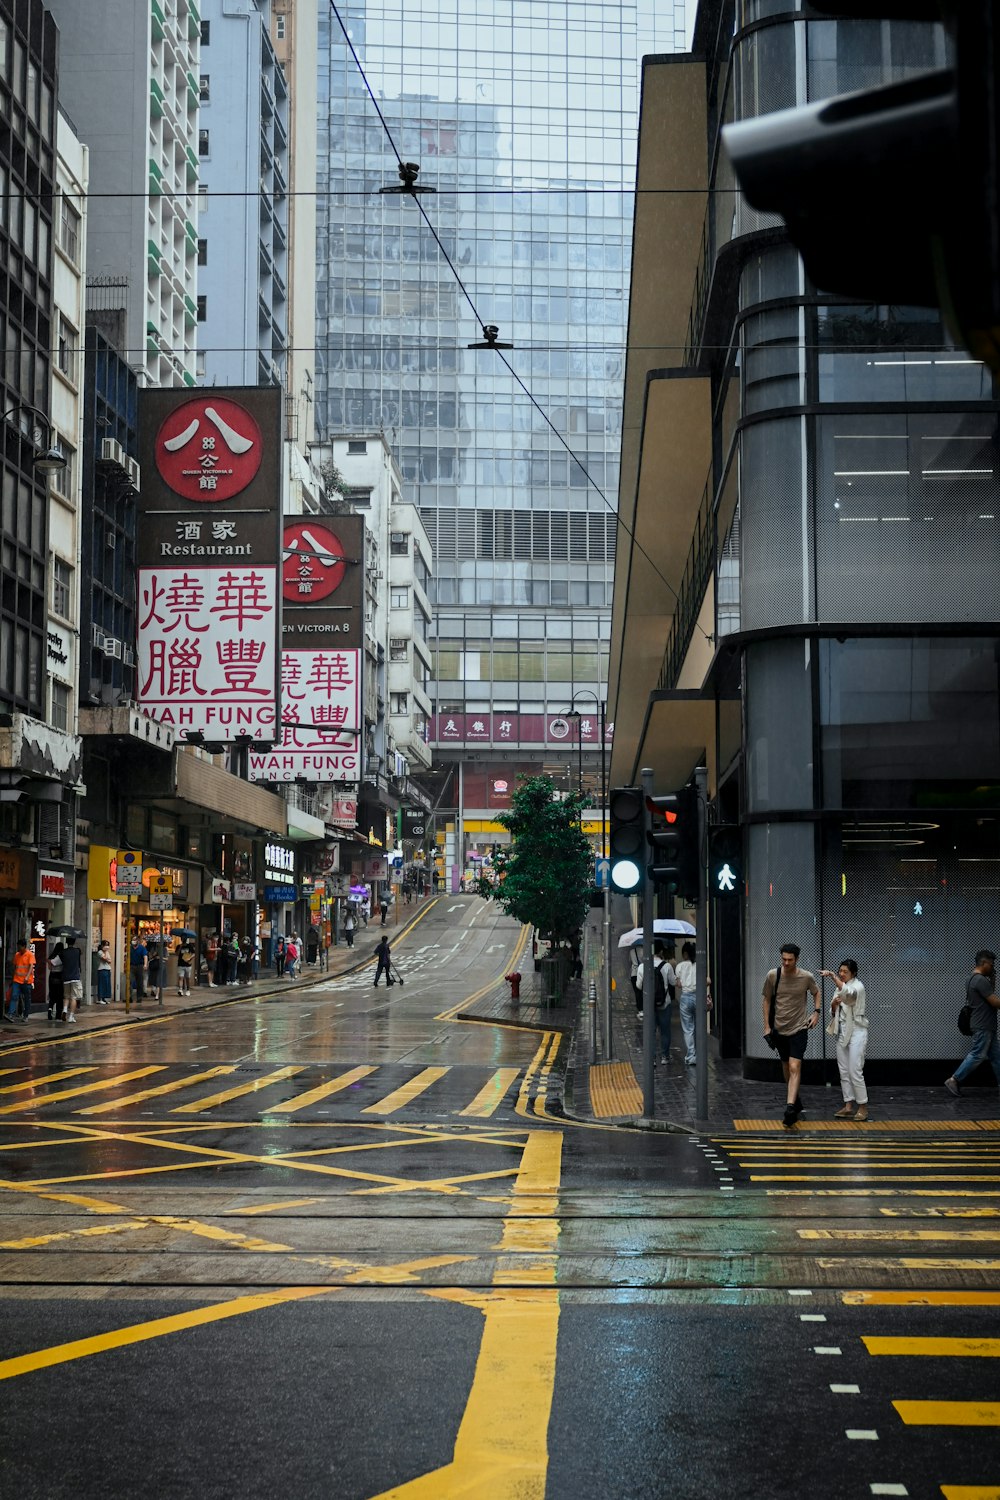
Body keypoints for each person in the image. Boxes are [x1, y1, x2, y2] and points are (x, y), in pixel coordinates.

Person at [762, 943, 821, 1128]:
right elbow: (767, 1000)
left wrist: (816, 1012)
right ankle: (795, 1100)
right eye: (784, 959)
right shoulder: (773, 975)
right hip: (779, 1029)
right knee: (786, 1067)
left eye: (790, 960)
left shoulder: (806, 977)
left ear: (797, 959)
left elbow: (816, 992)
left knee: (795, 1066)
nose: (786, 963)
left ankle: (789, 1109)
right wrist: (766, 1027)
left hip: (799, 1028)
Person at [945, 948, 1000, 1097]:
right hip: (983, 1024)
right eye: (992, 964)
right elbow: (995, 1002)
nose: (993, 967)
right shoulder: (980, 980)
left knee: (996, 1056)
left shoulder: (970, 979)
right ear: (984, 963)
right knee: (978, 1054)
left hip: (985, 1024)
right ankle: (954, 1079)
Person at [820, 959, 869, 1120]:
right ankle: (848, 1105)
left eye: (845, 972)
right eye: (840, 971)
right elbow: (833, 1012)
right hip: (842, 1030)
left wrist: (834, 977)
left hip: (857, 1030)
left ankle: (862, 1106)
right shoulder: (839, 986)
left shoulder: (858, 986)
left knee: (855, 1069)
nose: (842, 974)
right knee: (844, 1070)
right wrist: (833, 1005)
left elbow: (849, 995)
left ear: (853, 973)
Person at [636, 940, 675, 1063]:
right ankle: (665, 1056)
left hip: (649, 1004)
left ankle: (652, 1058)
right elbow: (673, 982)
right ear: (661, 951)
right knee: (665, 1031)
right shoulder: (667, 966)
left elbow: (638, 986)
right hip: (664, 1003)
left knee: (650, 1032)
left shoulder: (642, 966)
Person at [676, 941, 714, 1067]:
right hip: (698, 997)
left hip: (686, 998)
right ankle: (700, 1054)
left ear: (685, 954)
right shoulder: (700, 965)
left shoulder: (680, 966)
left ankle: (691, 1056)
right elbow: (708, 981)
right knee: (699, 1026)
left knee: (688, 1029)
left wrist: (686, 983)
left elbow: (679, 984)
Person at [5, 937, 34, 1024]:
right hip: (17, 980)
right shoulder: (17, 955)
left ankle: (25, 1016)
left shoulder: (29, 955)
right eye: (18, 947)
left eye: (20, 947)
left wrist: (27, 977)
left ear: (24, 946)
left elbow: (31, 967)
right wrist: (12, 979)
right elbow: (15, 967)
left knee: (26, 999)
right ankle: (11, 1014)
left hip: (26, 981)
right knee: (14, 996)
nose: (19, 949)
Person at [60, 935, 83, 1024]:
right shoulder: (77, 951)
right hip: (75, 977)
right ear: (74, 942)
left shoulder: (63, 952)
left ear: (66, 942)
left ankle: (65, 1009)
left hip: (66, 977)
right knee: (74, 997)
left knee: (66, 996)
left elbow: (59, 961)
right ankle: (71, 1016)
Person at [48, 941, 64, 1022]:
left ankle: (50, 1010)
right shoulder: (60, 956)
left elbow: (49, 965)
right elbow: (52, 962)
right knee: (59, 996)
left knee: (52, 994)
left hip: (52, 975)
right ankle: (58, 1015)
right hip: (59, 976)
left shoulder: (52, 955)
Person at [129, 935, 148, 1002]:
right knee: (129, 981)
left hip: (140, 966)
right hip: (131, 966)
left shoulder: (142, 948)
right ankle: (129, 997)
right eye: (132, 940)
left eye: (135, 940)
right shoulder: (130, 948)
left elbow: (145, 956)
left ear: (137, 941)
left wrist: (145, 964)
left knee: (139, 982)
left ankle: (139, 997)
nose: (133, 941)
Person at [95, 940, 112, 1005]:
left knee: (106, 984)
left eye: (108, 945)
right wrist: (107, 959)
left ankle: (104, 998)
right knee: (102, 984)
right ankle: (100, 998)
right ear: (102, 946)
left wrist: (107, 959)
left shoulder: (107, 952)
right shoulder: (100, 952)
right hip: (102, 969)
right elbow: (105, 959)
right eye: (105, 945)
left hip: (107, 969)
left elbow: (110, 961)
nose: (107, 947)